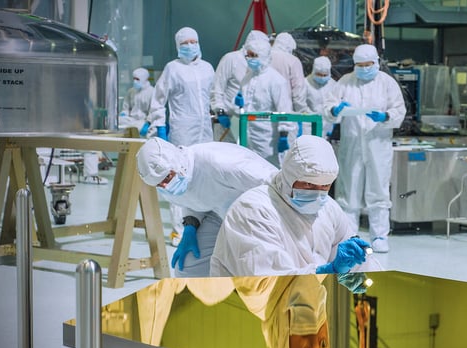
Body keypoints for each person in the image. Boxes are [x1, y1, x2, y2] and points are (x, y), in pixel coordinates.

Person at [210, 135, 379, 279]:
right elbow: (269, 282)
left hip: (304, 303)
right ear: (290, 177)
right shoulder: (253, 210)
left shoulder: (328, 208)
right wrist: (329, 271)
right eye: (309, 184)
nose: (317, 194)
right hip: (247, 310)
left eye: (325, 186)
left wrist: (354, 273)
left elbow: (359, 263)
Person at [136, 137, 278, 277]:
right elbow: (192, 200)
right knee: (189, 268)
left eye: (166, 179)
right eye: (159, 184)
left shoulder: (220, 162)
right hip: (220, 214)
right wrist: (190, 227)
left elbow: (275, 183)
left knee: (256, 269)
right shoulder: (171, 181)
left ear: (177, 163)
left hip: (262, 217)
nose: (165, 186)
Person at [323, 44, 406, 253]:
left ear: (376, 62)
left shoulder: (387, 83)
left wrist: (385, 116)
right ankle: (348, 236)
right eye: (359, 65)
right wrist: (335, 109)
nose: (364, 68)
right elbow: (328, 108)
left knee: (378, 190)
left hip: (378, 144)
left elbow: (399, 110)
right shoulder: (345, 82)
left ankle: (379, 236)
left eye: (368, 64)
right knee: (348, 191)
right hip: (351, 144)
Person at [141, 27, 216, 245]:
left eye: (194, 41)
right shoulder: (172, 69)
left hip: (205, 131)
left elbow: (211, 98)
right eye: (185, 43)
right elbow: (159, 99)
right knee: (179, 177)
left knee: (205, 176)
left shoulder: (208, 68)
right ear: (178, 46)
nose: (190, 45)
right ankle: (178, 230)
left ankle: (203, 226)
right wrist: (159, 126)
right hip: (182, 129)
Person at [233, 37, 294, 168]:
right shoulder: (247, 79)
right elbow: (242, 110)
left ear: (263, 56)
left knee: (269, 173)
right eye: (248, 55)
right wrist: (238, 106)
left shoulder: (276, 80)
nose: (249, 59)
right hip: (248, 137)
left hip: (269, 140)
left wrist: (284, 134)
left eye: (253, 55)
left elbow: (284, 110)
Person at [210, 29, 269, 143]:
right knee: (226, 156)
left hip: (251, 122)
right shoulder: (231, 59)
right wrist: (220, 111)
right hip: (228, 121)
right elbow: (217, 88)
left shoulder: (261, 64)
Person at [270, 32, 309, 113]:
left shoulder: (264, 57)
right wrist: (302, 111)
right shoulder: (292, 60)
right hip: (285, 111)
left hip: (261, 112)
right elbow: (298, 90)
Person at [304, 56, 337, 139]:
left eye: (325, 75)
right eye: (319, 74)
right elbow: (300, 105)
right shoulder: (305, 84)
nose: (322, 77)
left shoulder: (333, 85)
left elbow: (334, 104)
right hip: (308, 127)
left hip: (327, 126)